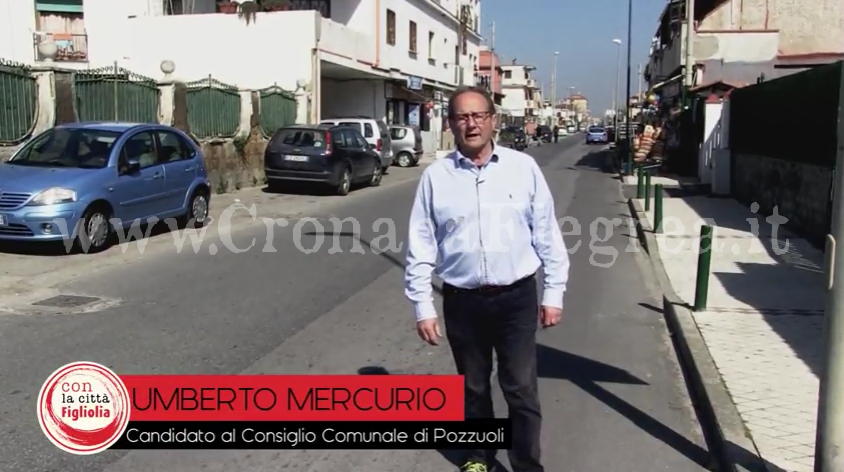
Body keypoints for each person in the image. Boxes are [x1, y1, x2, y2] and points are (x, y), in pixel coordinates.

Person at [404, 85, 571, 472]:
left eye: (479, 115)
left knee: (520, 388)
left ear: (493, 120)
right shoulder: (436, 177)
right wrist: (422, 306)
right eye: (462, 117)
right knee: (472, 386)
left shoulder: (522, 168)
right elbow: (421, 243)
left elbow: (546, 233)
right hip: (463, 301)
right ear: (450, 124)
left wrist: (554, 293)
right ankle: (479, 456)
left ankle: (526, 465)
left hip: (516, 298)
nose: (471, 124)